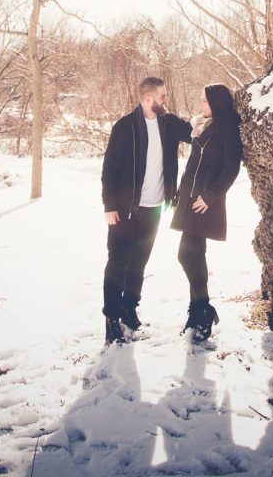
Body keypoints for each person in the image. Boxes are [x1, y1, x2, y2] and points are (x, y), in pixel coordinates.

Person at [101, 76, 192, 345]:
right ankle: (111, 319)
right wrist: (109, 205)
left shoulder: (169, 123)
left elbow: (197, 134)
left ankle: (129, 309)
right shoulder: (125, 127)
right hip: (125, 210)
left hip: (155, 208)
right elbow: (109, 170)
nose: (167, 100)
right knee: (117, 264)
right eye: (162, 96)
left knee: (139, 263)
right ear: (147, 99)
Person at [171, 83, 243, 341]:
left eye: (204, 101)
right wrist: (181, 189)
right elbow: (193, 163)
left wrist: (210, 196)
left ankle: (203, 308)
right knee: (193, 255)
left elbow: (231, 169)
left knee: (186, 255)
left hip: (206, 201)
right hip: (191, 197)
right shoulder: (202, 125)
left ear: (216, 103)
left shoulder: (227, 130)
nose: (200, 104)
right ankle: (198, 312)